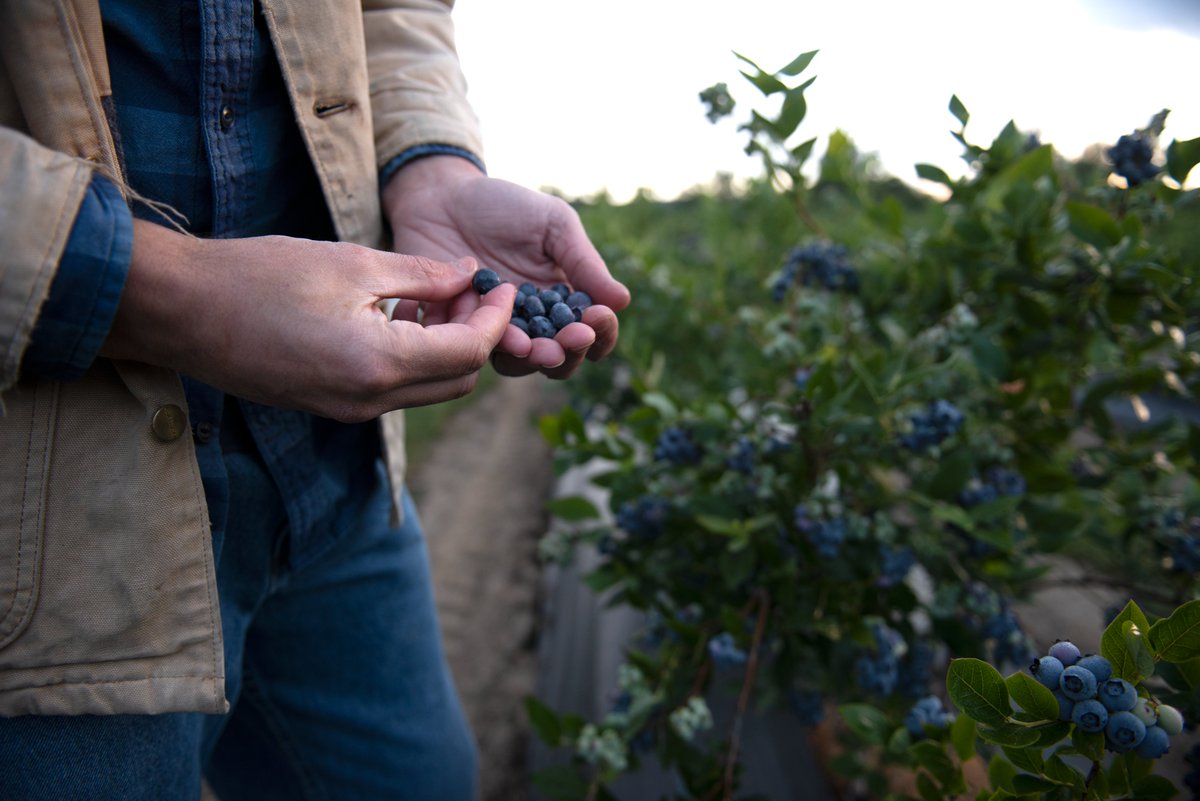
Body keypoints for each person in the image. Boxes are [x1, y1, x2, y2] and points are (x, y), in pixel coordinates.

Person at [0, 1, 629, 799]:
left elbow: (397, 9)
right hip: (63, 536)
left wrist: (432, 168)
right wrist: (168, 295)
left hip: (329, 472)